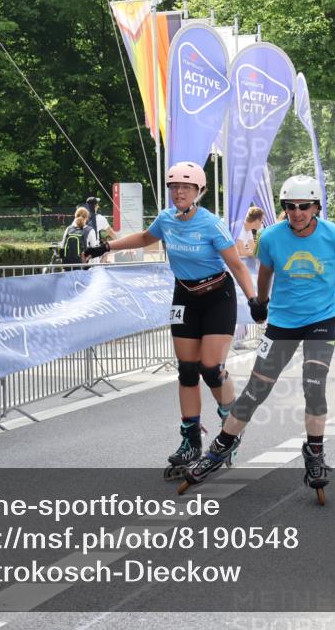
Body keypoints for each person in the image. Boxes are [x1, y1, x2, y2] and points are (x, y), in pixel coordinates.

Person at [179, 176, 335, 503]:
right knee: (257, 389)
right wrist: (260, 300)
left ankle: (314, 452)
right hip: (283, 322)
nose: (296, 213)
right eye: (290, 207)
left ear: (315, 207)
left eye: (303, 206)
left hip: (321, 320)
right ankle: (220, 448)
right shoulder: (270, 237)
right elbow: (266, 270)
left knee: (314, 384)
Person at [85, 161, 264, 480]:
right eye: (174, 187)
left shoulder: (210, 224)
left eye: (186, 187)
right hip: (184, 296)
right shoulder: (166, 219)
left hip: (216, 297)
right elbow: (143, 238)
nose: (178, 192)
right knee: (186, 370)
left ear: (199, 191)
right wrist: (105, 246)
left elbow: (236, 265)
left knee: (211, 368)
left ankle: (231, 423)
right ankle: (190, 440)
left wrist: (254, 299)